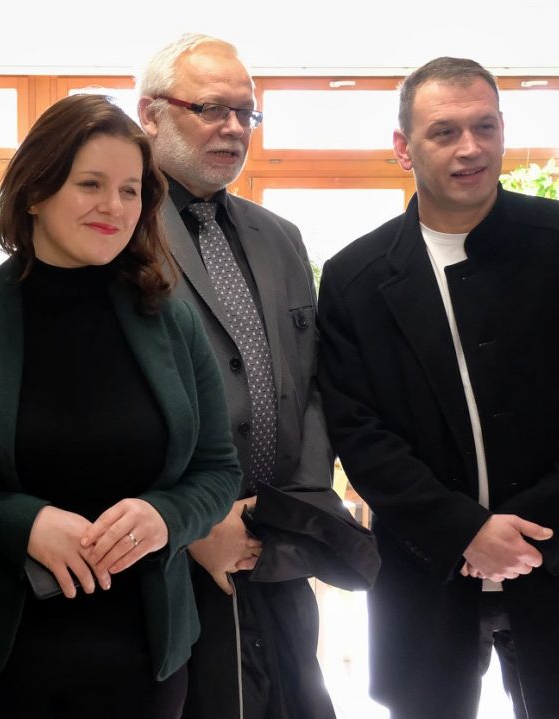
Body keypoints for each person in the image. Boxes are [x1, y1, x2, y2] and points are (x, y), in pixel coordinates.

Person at [0, 93, 240, 719]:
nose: (113, 206)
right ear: (36, 192)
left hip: (141, 667)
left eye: (130, 190)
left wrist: (165, 516)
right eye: (90, 184)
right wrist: (21, 524)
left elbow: (217, 471)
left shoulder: (172, 321)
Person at [316, 56, 559, 719]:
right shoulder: (355, 277)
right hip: (427, 571)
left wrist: (535, 533)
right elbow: (358, 429)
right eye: (444, 131)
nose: (470, 148)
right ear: (403, 147)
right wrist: (463, 531)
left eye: (485, 126)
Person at [137, 34, 378, 719]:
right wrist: (194, 523)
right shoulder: (119, 231)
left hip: (278, 546)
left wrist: (291, 509)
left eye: (246, 113)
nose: (235, 128)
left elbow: (312, 384)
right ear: (150, 114)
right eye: (212, 108)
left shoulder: (281, 237)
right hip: (174, 556)